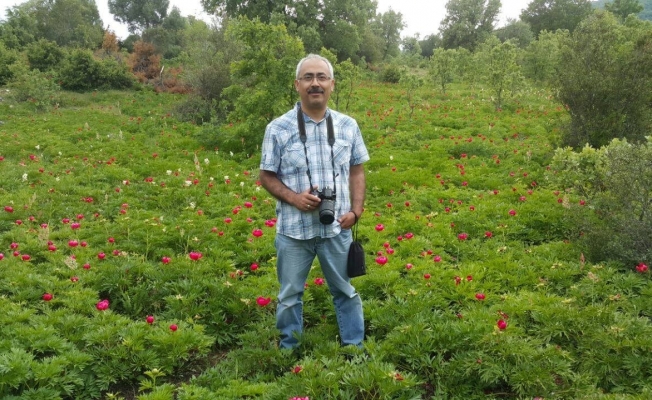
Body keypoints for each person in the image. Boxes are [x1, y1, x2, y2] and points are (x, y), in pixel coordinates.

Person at [259, 54, 369, 349]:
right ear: (297, 85)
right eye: (308, 77)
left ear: (332, 84)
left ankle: (354, 347)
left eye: (321, 77)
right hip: (294, 231)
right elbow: (266, 176)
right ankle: (289, 349)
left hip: (337, 229)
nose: (315, 83)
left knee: (345, 291)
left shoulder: (348, 126)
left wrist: (356, 211)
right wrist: (295, 198)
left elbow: (357, 170)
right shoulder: (278, 128)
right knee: (289, 295)